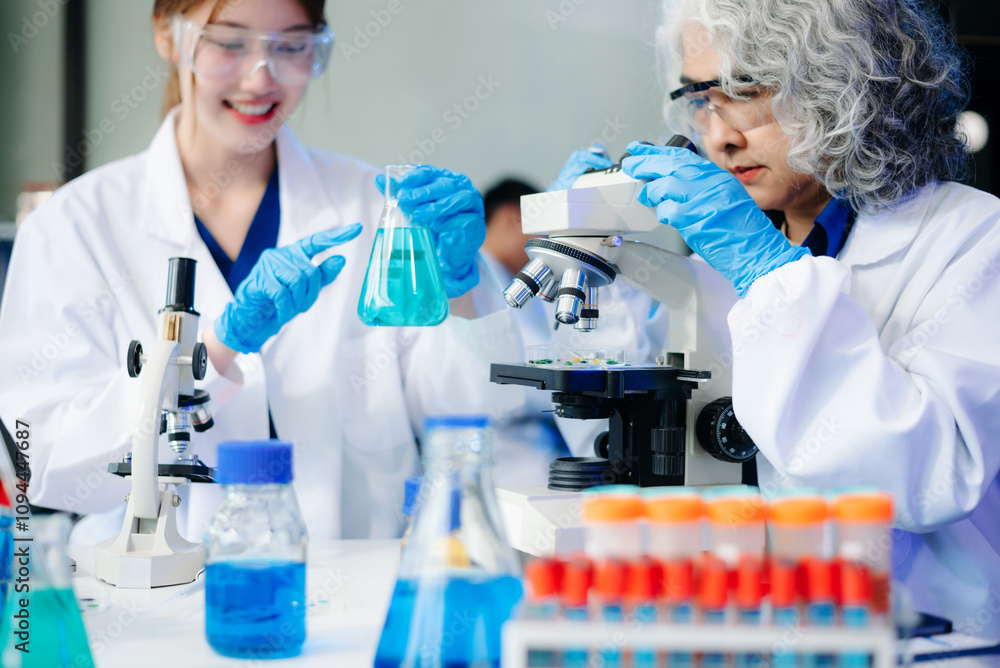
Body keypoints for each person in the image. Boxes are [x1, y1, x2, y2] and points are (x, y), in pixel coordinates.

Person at [0, 0, 524, 542]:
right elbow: (40, 461)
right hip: (146, 602)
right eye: (230, 42)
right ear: (167, 35)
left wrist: (462, 289)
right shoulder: (75, 226)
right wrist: (216, 351)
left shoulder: (375, 211)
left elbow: (476, 418)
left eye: (292, 46)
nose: (261, 77)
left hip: (355, 599)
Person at [555, 0, 1000, 637]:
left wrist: (769, 276)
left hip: (932, 641)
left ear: (841, 84)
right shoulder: (725, 261)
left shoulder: (976, 239)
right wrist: (603, 263)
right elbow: (615, 437)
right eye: (700, 99)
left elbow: (933, 475)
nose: (719, 136)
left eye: (743, 91)